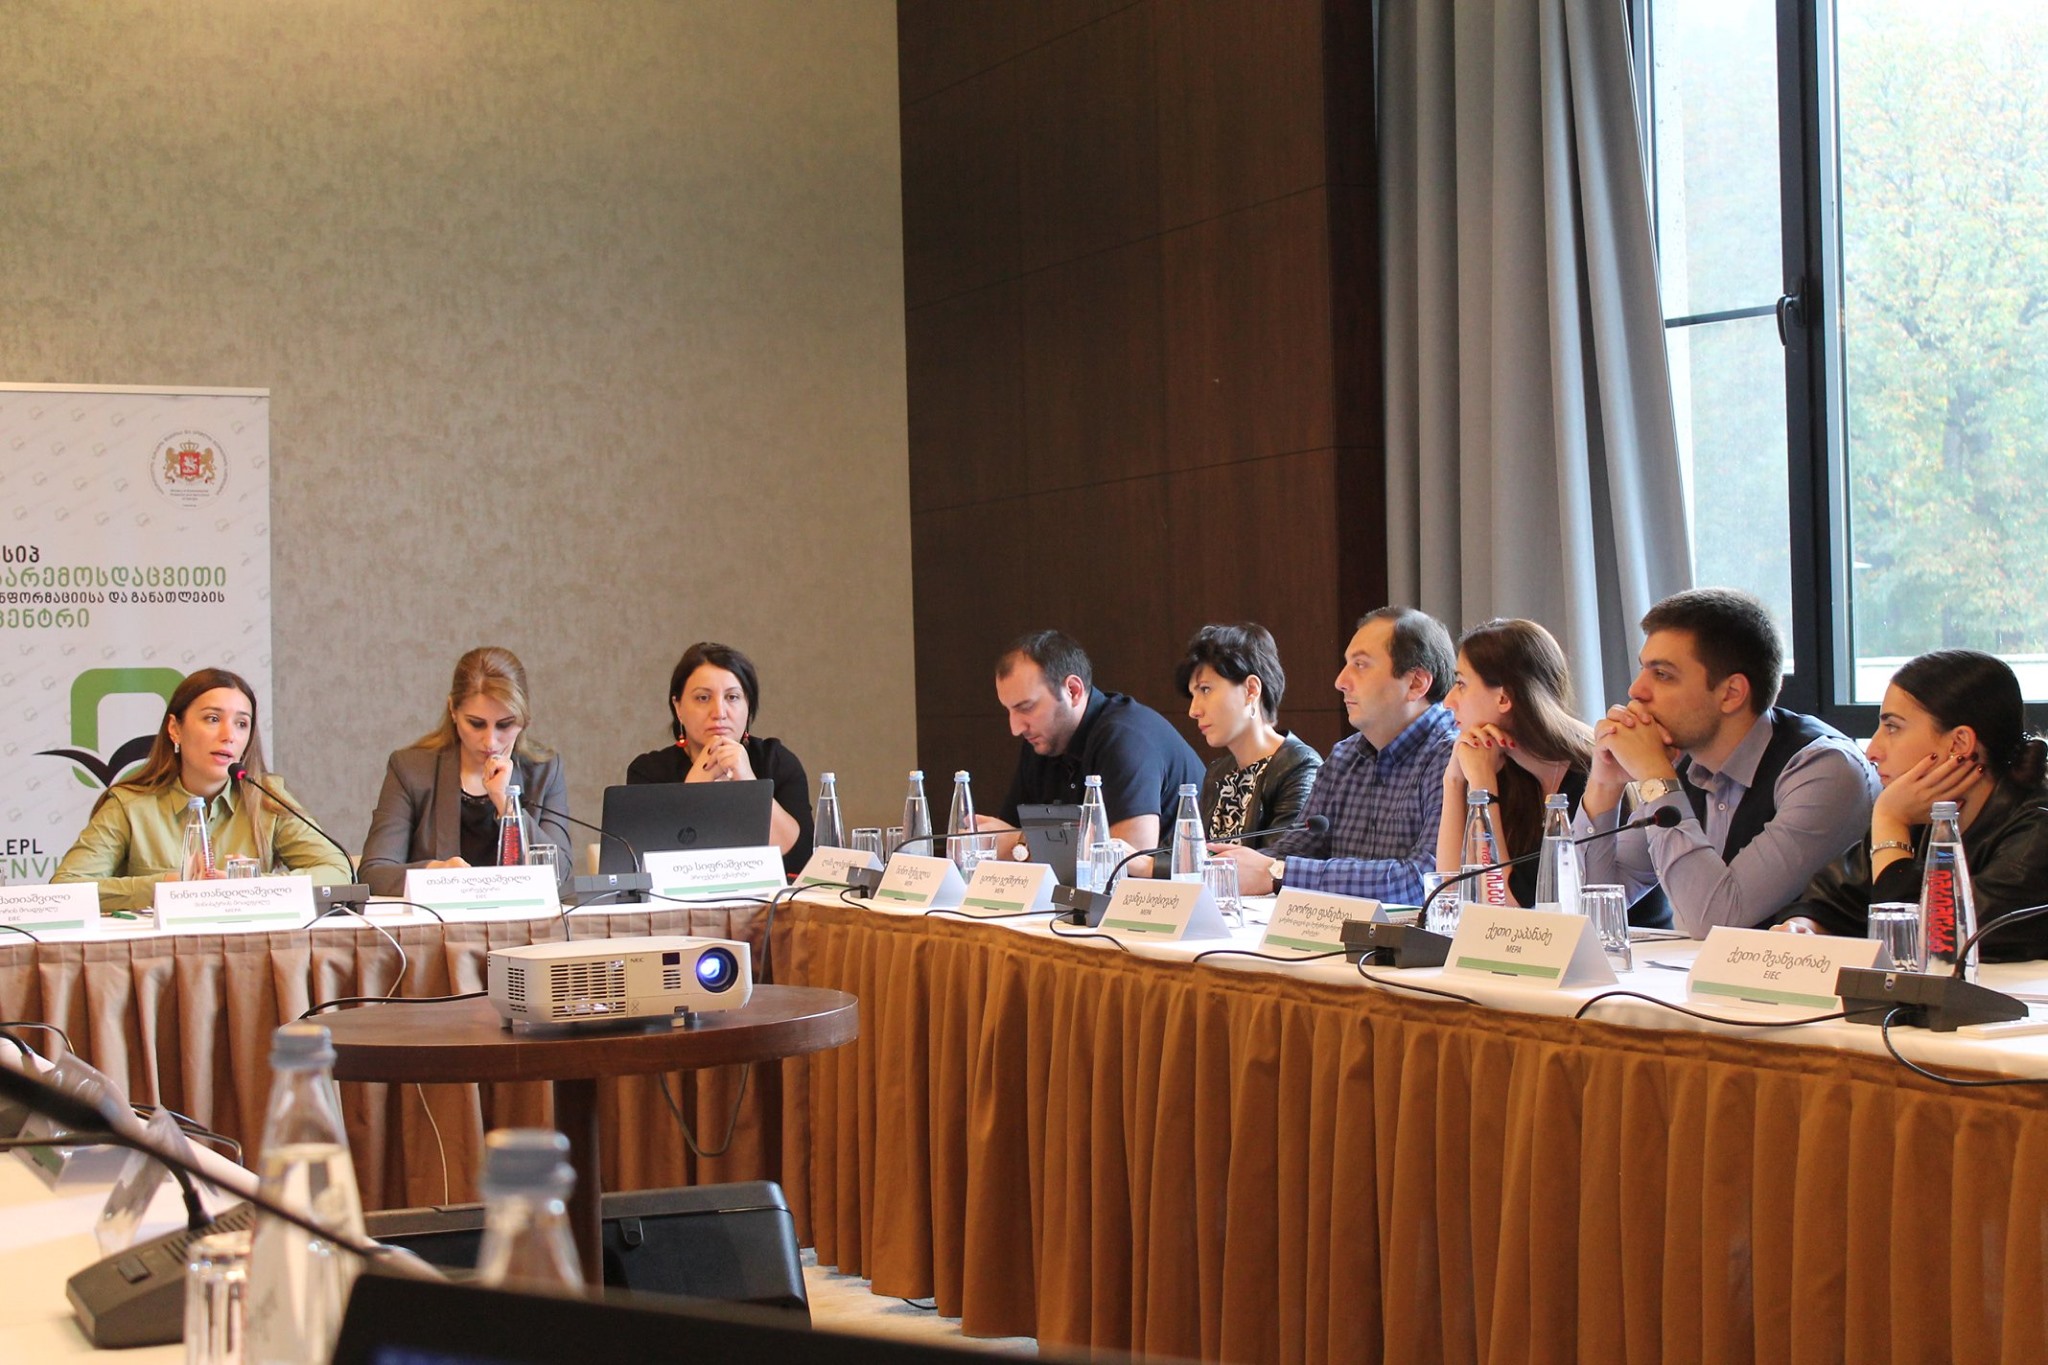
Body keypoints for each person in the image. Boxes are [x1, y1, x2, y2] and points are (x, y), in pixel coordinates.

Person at [1576, 587, 1878, 934]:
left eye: (1662, 675)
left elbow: (1717, 919)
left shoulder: (1824, 770)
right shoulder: (1680, 764)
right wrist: (1604, 783)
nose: (1636, 691)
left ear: (1731, 693)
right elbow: (1589, 908)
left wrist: (1655, 778)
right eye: (1644, 669)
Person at [1774, 650, 2048, 959]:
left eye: (1892, 727)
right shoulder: (1921, 813)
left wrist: (1890, 820)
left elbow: (1939, 937)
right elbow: (1830, 901)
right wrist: (1803, 928)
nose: (1872, 751)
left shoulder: (2038, 829)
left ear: (1959, 743)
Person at [1210, 606, 1459, 903]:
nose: (1340, 681)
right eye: (1346, 664)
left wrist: (1277, 872)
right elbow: (1294, 852)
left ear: (1416, 683)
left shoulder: (1452, 756)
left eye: (1361, 665)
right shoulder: (1345, 757)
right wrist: (1232, 867)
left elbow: (1426, 881)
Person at [53, 667, 352, 910]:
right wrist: (166, 886)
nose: (229, 735)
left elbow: (337, 870)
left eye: (241, 724)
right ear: (175, 729)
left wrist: (254, 887)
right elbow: (66, 889)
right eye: (213, 719)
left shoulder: (265, 796)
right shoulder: (129, 804)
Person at [359, 647, 570, 897]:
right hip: (438, 919)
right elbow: (374, 873)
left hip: (523, 920)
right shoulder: (411, 769)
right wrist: (436, 873)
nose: (490, 741)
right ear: (453, 710)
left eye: (505, 725)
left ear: (524, 720)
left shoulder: (544, 771)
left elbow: (561, 876)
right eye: (476, 723)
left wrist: (507, 804)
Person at [984, 630, 1203, 858]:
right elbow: (1005, 834)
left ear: (1073, 691)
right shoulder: (1041, 740)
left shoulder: (1126, 737)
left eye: (1026, 707)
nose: (1015, 728)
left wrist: (1020, 844)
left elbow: (1129, 859)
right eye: (1009, 710)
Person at [1432, 619, 1594, 907]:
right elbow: (1450, 893)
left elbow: (1505, 907)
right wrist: (1453, 780)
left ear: (1504, 698)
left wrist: (1483, 789)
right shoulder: (1501, 766)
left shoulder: (1589, 776)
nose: (1448, 701)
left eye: (1461, 684)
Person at [626, 641, 812, 876]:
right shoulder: (648, 772)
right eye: (703, 698)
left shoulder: (776, 761)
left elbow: (800, 858)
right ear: (678, 707)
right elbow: (645, 868)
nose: (720, 713)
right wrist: (694, 788)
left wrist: (748, 783)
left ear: (748, 705)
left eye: (732, 697)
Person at [1175, 622, 1321, 839]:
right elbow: (1191, 850)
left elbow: (1282, 855)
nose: (1194, 711)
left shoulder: (1300, 766)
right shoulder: (1218, 773)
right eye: (1193, 695)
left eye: (1205, 689)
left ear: (1251, 690)